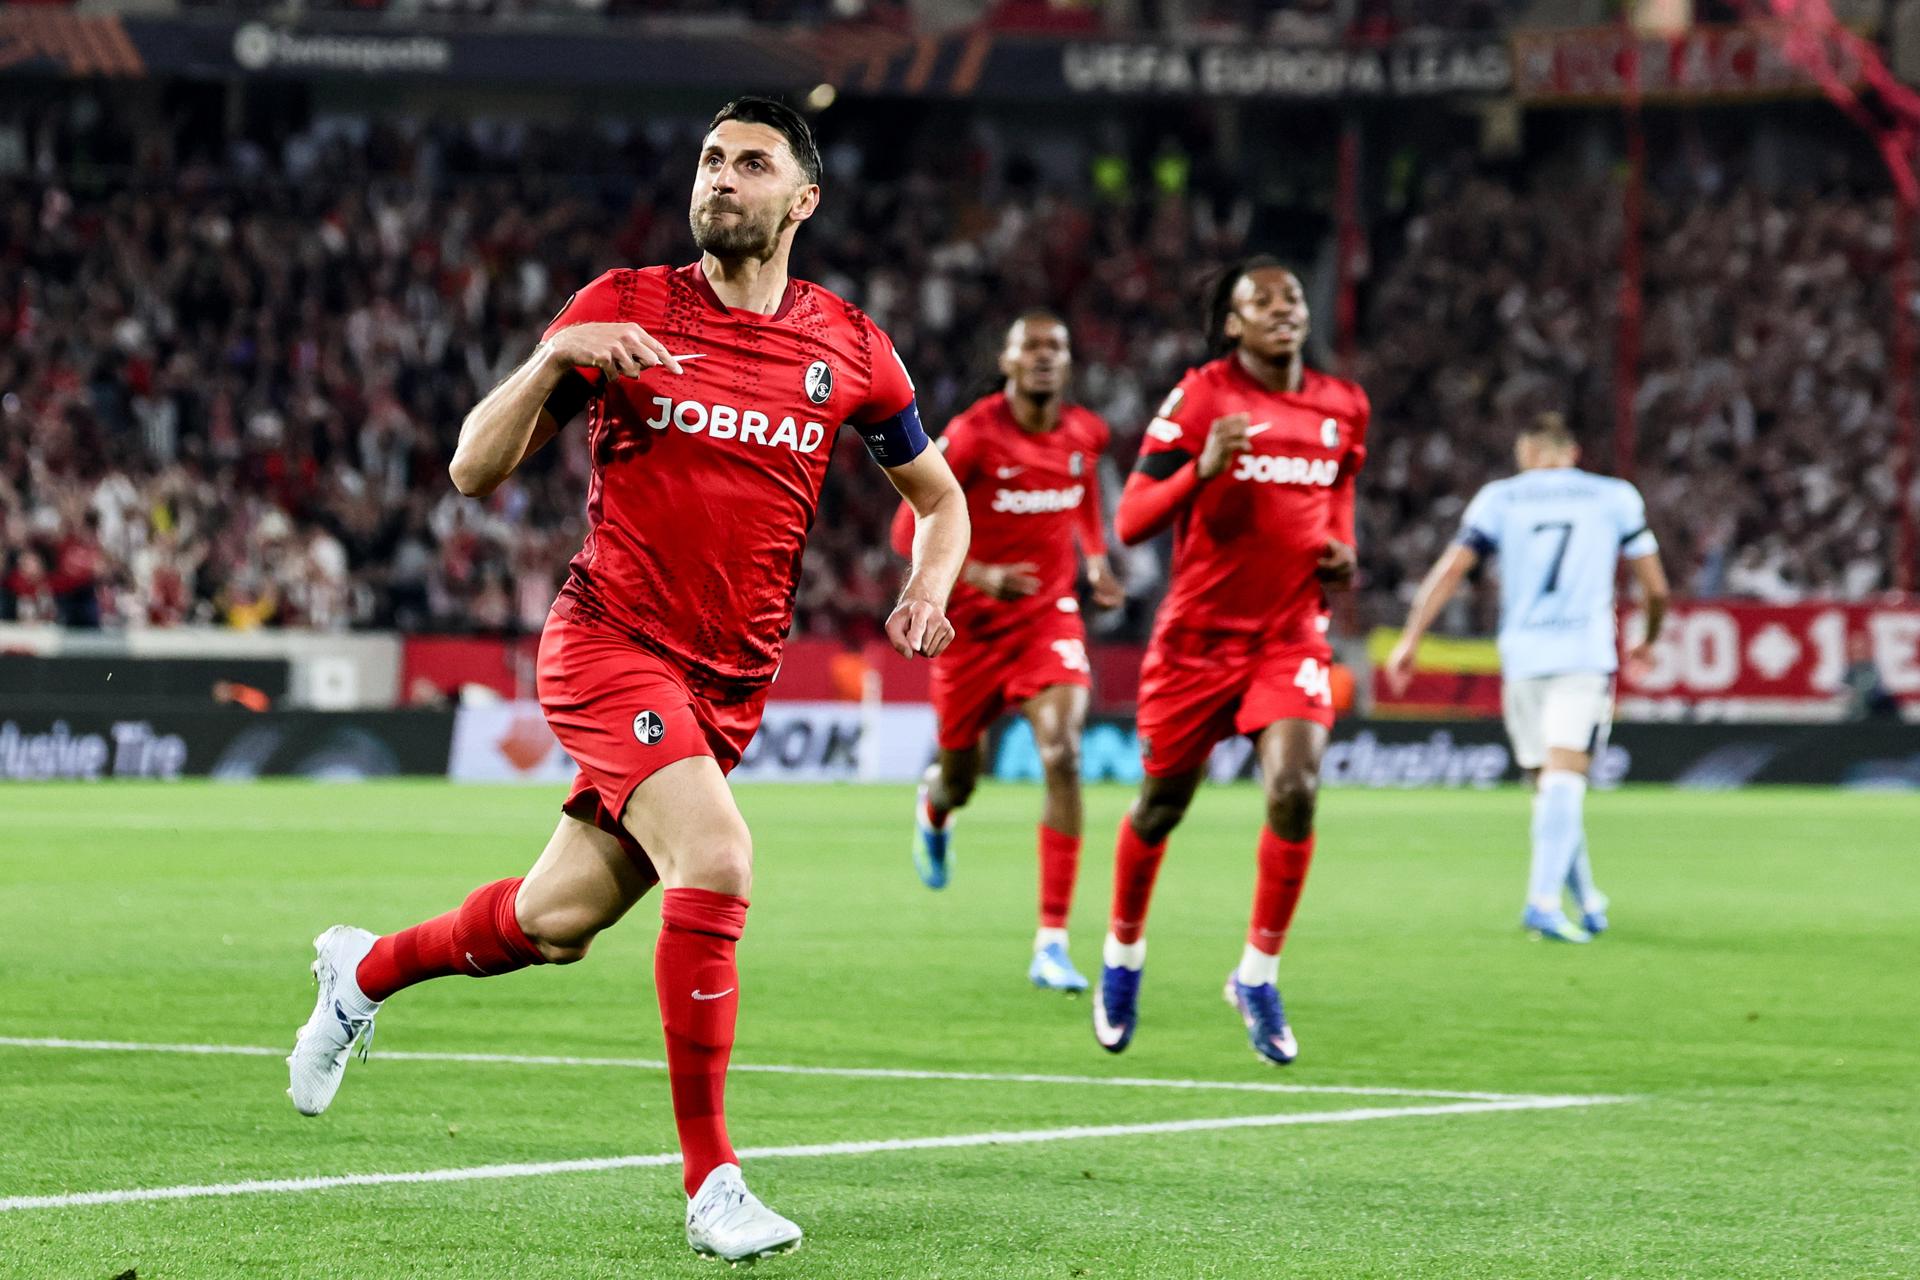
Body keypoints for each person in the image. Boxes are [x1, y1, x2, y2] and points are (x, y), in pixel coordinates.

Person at [285, 97, 969, 1264]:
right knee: (720, 858)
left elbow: (941, 500)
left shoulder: (851, 346)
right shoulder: (622, 306)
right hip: (608, 641)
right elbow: (468, 468)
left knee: (554, 924)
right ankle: (713, 1182)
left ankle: (363, 968)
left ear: (802, 200)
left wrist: (929, 584)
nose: (722, 179)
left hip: (730, 684)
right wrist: (552, 355)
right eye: (710, 159)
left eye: (751, 164)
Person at [1091, 257, 1369, 1067]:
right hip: (1196, 645)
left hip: (1288, 638)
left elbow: (1341, 489)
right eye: (1262, 301)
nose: (1284, 307)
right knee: (1160, 807)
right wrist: (1202, 470)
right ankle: (1123, 953)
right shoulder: (1203, 396)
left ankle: (1257, 973)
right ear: (1234, 324)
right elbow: (1135, 518)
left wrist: (1342, 547)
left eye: (1291, 295)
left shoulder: (1342, 405)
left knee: (1295, 788)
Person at [889, 312, 1124, 993]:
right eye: (1034, 347)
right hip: (969, 632)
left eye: (1059, 346)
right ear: (1009, 360)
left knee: (1063, 751)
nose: (1047, 357)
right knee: (963, 776)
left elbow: (1081, 498)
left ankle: (1051, 942)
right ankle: (935, 808)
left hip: (1049, 619)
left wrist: (1097, 559)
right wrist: (981, 574)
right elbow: (909, 521)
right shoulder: (974, 434)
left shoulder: (1087, 434)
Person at [1386, 413, 1669, 943]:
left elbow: (1451, 571)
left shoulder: (1500, 498)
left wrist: (1411, 637)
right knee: (1562, 781)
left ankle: (1568, 899)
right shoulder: (1614, 496)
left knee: (1550, 783)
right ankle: (1560, 900)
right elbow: (1655, 589)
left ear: (1530, 453)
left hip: (1522, 657)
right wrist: (1648, 639)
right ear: (1572, 452)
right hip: (1583, 653)